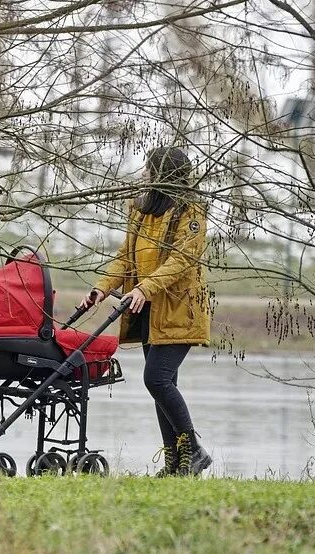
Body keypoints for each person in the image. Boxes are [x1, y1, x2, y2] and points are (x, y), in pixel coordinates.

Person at [79, 147, 211, 477]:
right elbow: (127, 257)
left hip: (180, 311)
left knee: (157, 379)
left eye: (148, 169)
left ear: (164, 175)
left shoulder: (191, 213)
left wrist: (143, 288)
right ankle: (176, 464)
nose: (143, 174)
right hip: (149, 312)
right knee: (163, 387)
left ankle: (192, 451)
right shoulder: (140, 211)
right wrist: (103, 287)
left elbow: (182, 261)